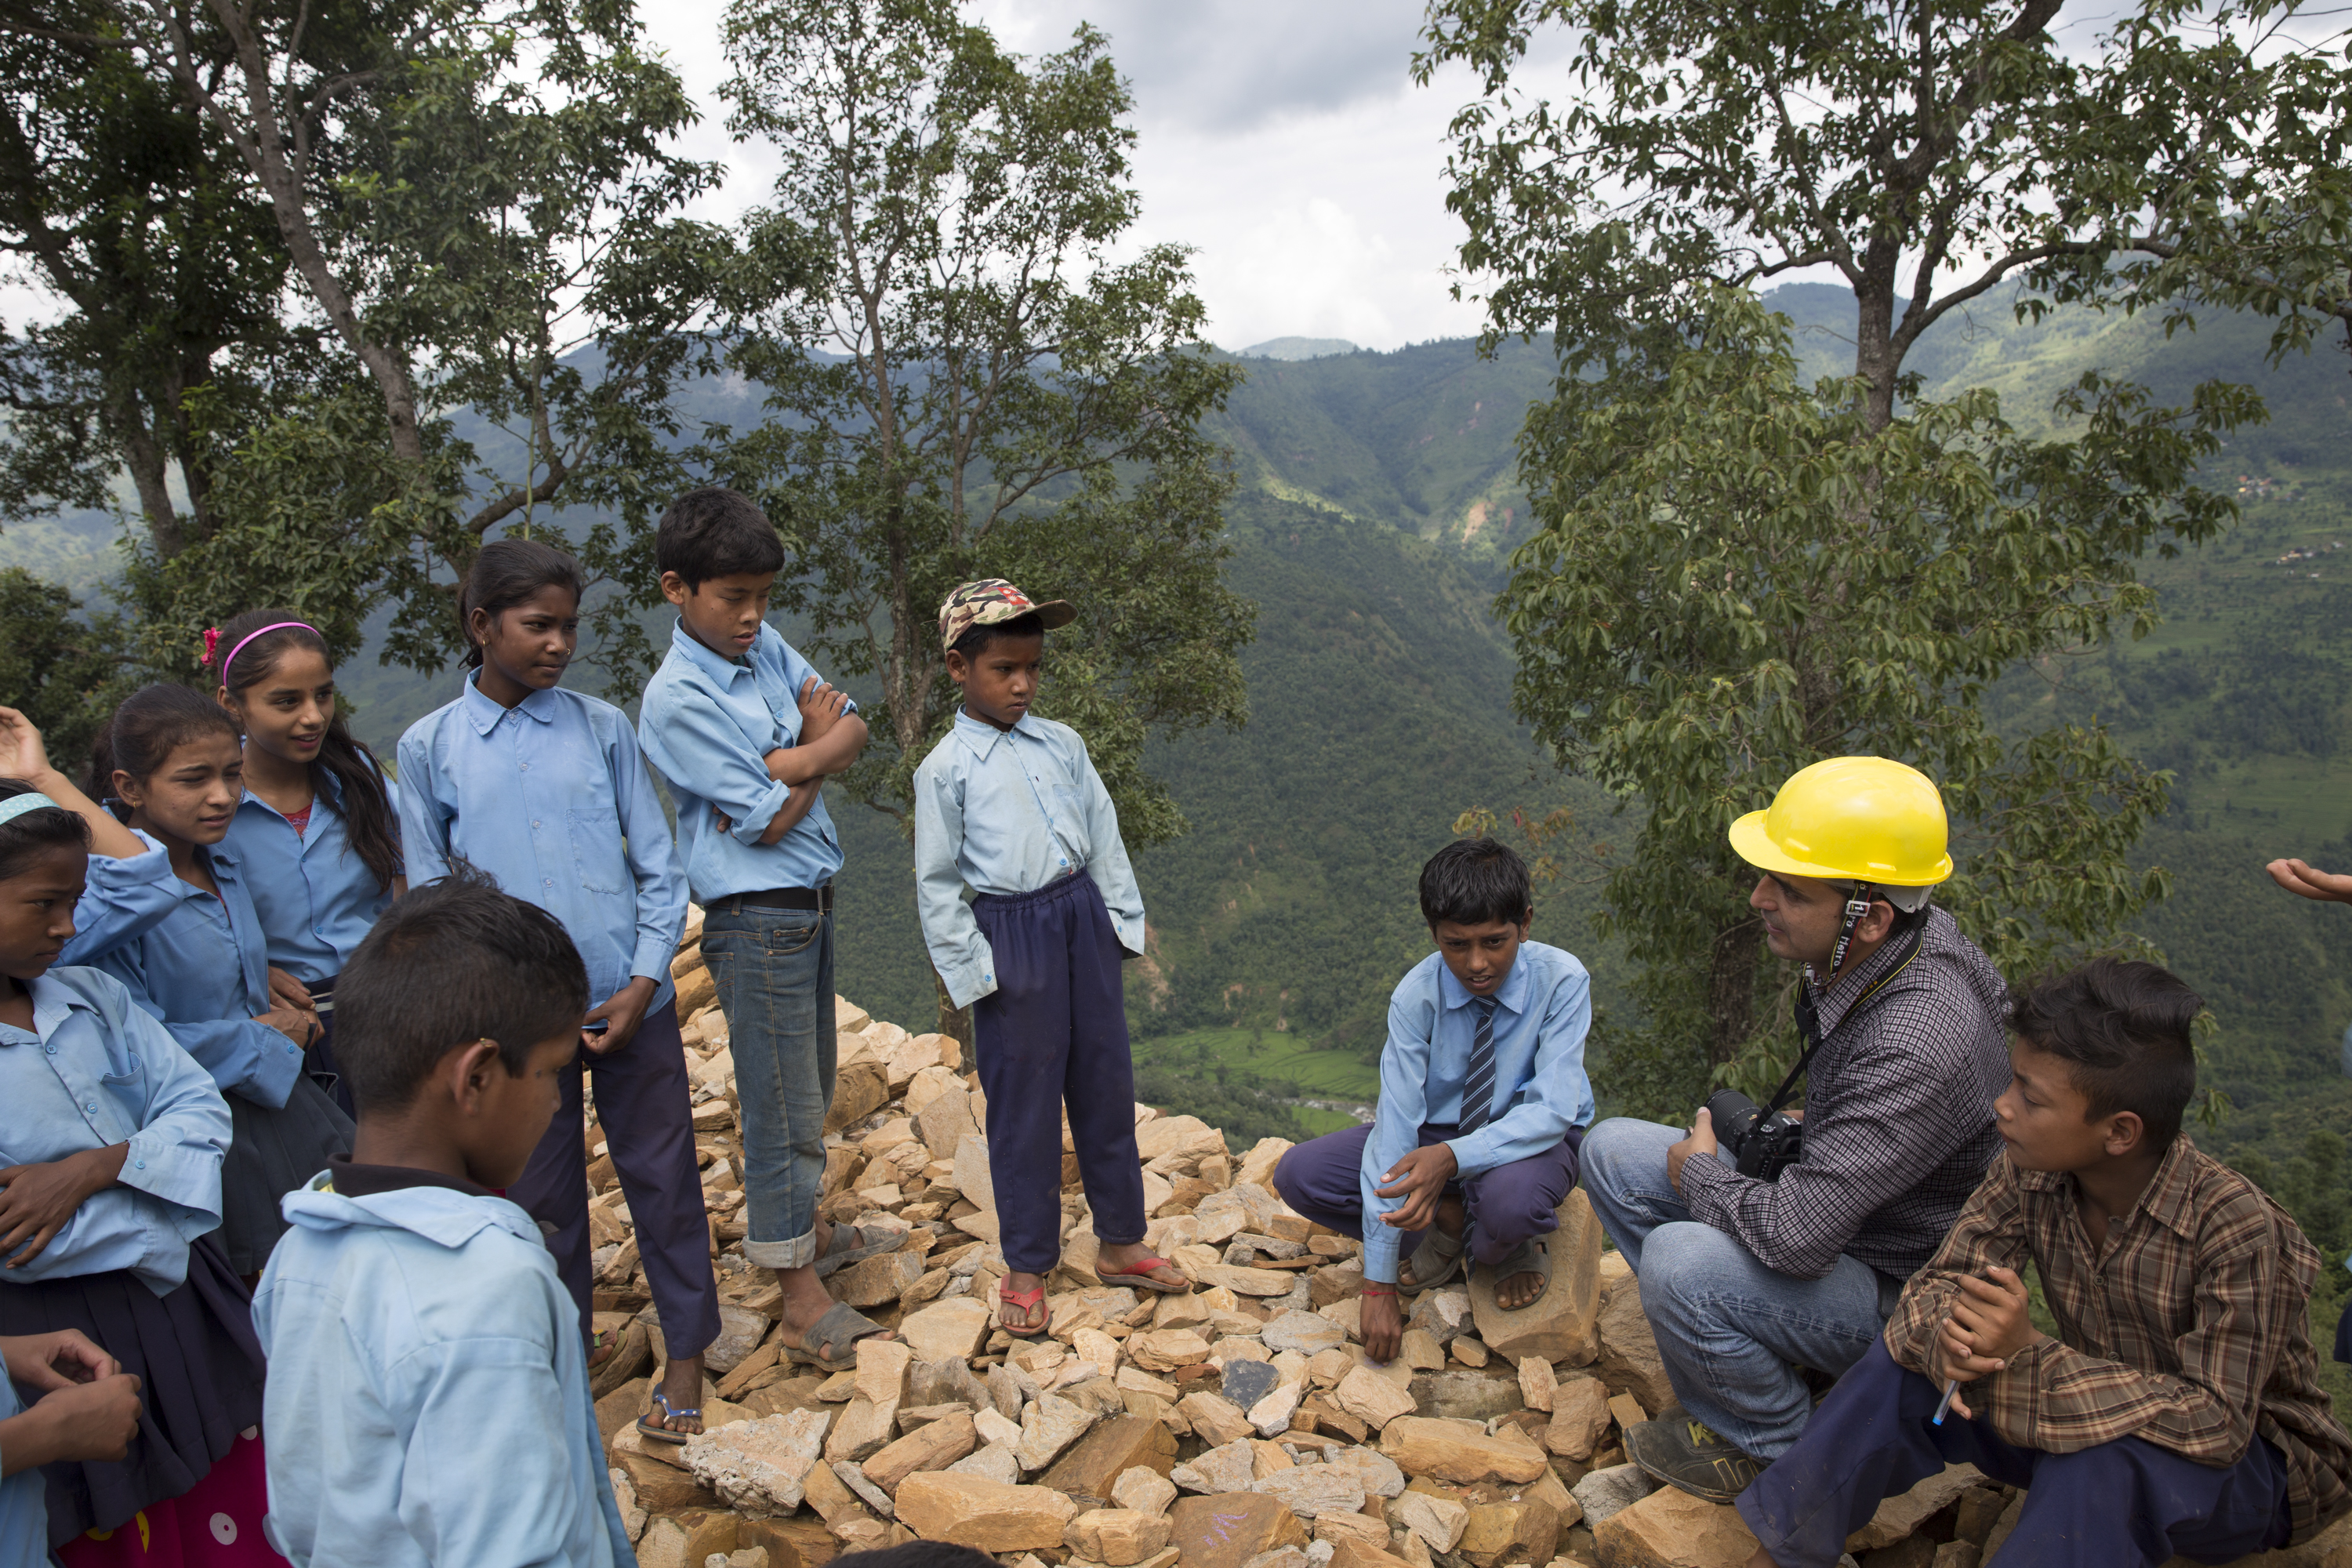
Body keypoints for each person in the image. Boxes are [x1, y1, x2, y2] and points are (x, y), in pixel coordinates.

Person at [1740, 960, 2352, 1568]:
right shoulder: (2029, 1171)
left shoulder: (2235, 1225)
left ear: (2120, 1132)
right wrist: (1951, 1340)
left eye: (2030, 1098)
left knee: (2106, 1458)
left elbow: (2215, 1423)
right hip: (2080, 1414)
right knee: (1900, 1368)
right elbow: (1936, 1289)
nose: (2002, 1107)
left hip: (2252, 1474)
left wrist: (2029, 1352)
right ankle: (1785, 1548)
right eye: (2012, 1082)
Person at [1580, 756, 2010, 1501]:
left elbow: (1796, 1239)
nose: (1759, 898)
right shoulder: (1901, 940)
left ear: (1869, 913)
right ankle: (1757, 1358)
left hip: (1899, 1289)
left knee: (1681, 1262)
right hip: (1858, 1221)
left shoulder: (1919, 1035)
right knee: (1611, 1150)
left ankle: (1781, 1449)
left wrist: (1701, 1175)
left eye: (1788, 888)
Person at [395, 537, 716, 1444]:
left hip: (629, 999)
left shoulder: (602, 727)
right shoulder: (428, 751)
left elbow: (659, 868)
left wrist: (648, 979)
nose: (559, 644)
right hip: (510, 1024)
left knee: (664, 1176)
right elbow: (430, 897)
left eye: (569, 625)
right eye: (538, 625)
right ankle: (557, 1362)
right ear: (480, 624)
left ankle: (687, 1353)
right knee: (537, 1201)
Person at [253, 869, 636, 1567]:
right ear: (477, 1077)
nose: (557, 1104)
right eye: (551, 1073)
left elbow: (303, 1511)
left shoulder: (298, 1255)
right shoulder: (487, 1286)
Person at [634, 487, 898, 1374]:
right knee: (782, 1108)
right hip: (757, 919)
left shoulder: (761, 648)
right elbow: (767, 822)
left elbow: (854, 725)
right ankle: (797, 1298)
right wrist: (811, 748)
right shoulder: (675, 699)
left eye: (762, 597)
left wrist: (797, 758)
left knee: (809, 1081)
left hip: (808, 904)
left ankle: (807, 1226)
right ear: (677, 586)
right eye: (732, 597)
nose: (752, 616)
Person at [0, 768, 275, 1565]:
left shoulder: (95, 998)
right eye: (42, 903)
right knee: (110, 1525)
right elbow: (26, 1242)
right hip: (54, 1338)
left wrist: (94, 1168)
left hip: (179, 1305)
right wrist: (148, 1184)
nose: (68, 923)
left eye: (75, 898)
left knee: (226, 1502)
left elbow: (199, 1111)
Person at [913, 579, 1187, 1336]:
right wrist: (977, 976)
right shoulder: (945, 770)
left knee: (1105, 1080)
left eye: (1033, 666)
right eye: (1004, 668)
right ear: (957, 668)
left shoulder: (1062, 744)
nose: (1023, 683)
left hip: (1078, 916)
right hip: (1011, 934)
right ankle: (1027, 1264)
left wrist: (1118, 924)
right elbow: (937, 886)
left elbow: (1103, 833)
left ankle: (1121, 1241)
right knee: (1025, 1106)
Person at [56, 687, 346, 1279]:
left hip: (283, 1106)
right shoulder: (101, 904)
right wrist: (263, 1036)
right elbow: (133, 1044)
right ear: (130, 788)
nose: (222, 797)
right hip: (208, 1135)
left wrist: (256, 975)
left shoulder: (219, 859)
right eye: (194, 780)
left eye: (232, 775)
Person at [1272, 838, 1594, 1362]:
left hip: (1532, 1138)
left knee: (1510, 1207)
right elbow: (1396, 1123)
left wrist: (1449, 1161)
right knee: (1300, 1175)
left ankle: (1501, 1242)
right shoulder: (1416, 995)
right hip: (1438, 1135)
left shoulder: (1563, 981)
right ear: (1434, 935)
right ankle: (1450, 1219)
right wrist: (1377, 1284)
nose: (1476, 964)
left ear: (1526, 924)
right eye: (1455, 945)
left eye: (1495, 942)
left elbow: (1552, 1111)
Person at [210, 611, 406, 1118]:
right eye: (286, 701)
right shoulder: (213, 809)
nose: (314, 716)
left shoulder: (358, 780)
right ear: (232, 705)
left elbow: (412, 871)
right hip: (284, 1025)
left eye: (323, 694)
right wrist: (249, 966)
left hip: (385, 1007)